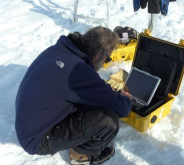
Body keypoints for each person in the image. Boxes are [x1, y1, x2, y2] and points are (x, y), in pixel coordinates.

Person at [15, 26, 132, 165]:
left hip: (31, 121)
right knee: (109, 121)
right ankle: (80, 156)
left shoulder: (59, 50)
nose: (106, 62)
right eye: (107, 58)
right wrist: (125, 98)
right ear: (99, 54)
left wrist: (102, 91)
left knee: (94, 100)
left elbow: (78, 84)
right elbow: (122, 108)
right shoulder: (77, 71)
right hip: (37, 139)